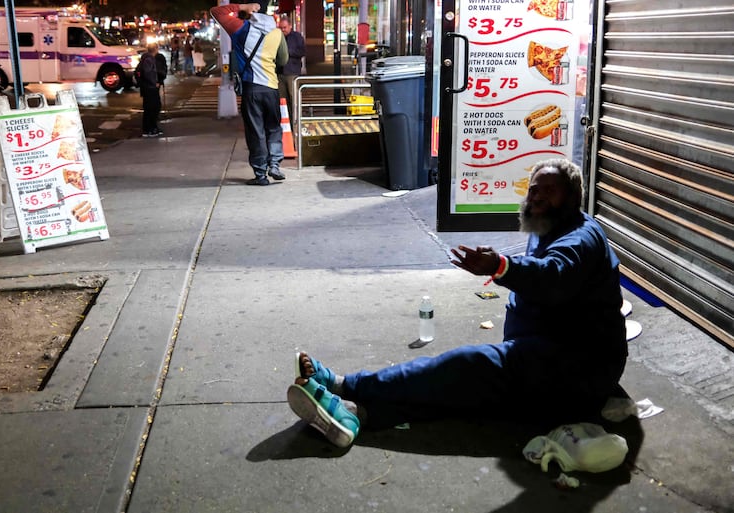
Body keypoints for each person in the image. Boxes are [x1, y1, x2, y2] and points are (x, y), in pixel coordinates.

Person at [287, 158, 628, 448]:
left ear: (572, 199)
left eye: (548, 191)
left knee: (462, 367)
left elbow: (553, 275)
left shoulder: (580, 238)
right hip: (546, 359)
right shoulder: (547, 228)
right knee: (461, 390)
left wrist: (501, 267)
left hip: (574, 370)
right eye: (534, 189)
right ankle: (355, 415)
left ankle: (346, 385)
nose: (536, 197)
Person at [210, 1, 289, 185]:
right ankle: (275, 164)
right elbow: (283, 59)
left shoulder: (240, 29)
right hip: (271, 88)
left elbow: (216, 11)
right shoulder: (276, 33)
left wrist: (242, 7)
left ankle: (261, 174)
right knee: (274, 128)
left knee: (256, 132)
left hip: (251, 88)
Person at [277, 17, 305, 132]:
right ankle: (285, 125)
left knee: (294, 99)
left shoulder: (296, 37)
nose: (283, 30)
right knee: (282, 100)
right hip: (280, 72)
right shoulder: (278, 37)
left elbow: (302, 52)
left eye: (284, 27)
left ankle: (296, 124)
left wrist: (288, 52)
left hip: (292, 72)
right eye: (281, 27)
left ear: (290, 26)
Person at [135, 43, 163, 138]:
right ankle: (149, 129)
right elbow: (148, 73)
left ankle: (151, 127)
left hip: (147, 87)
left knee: (151, 108)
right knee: (152, 108)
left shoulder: (147, 58)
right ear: (155, 49)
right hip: (149, 88)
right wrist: (154, 83)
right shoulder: (149, 59)